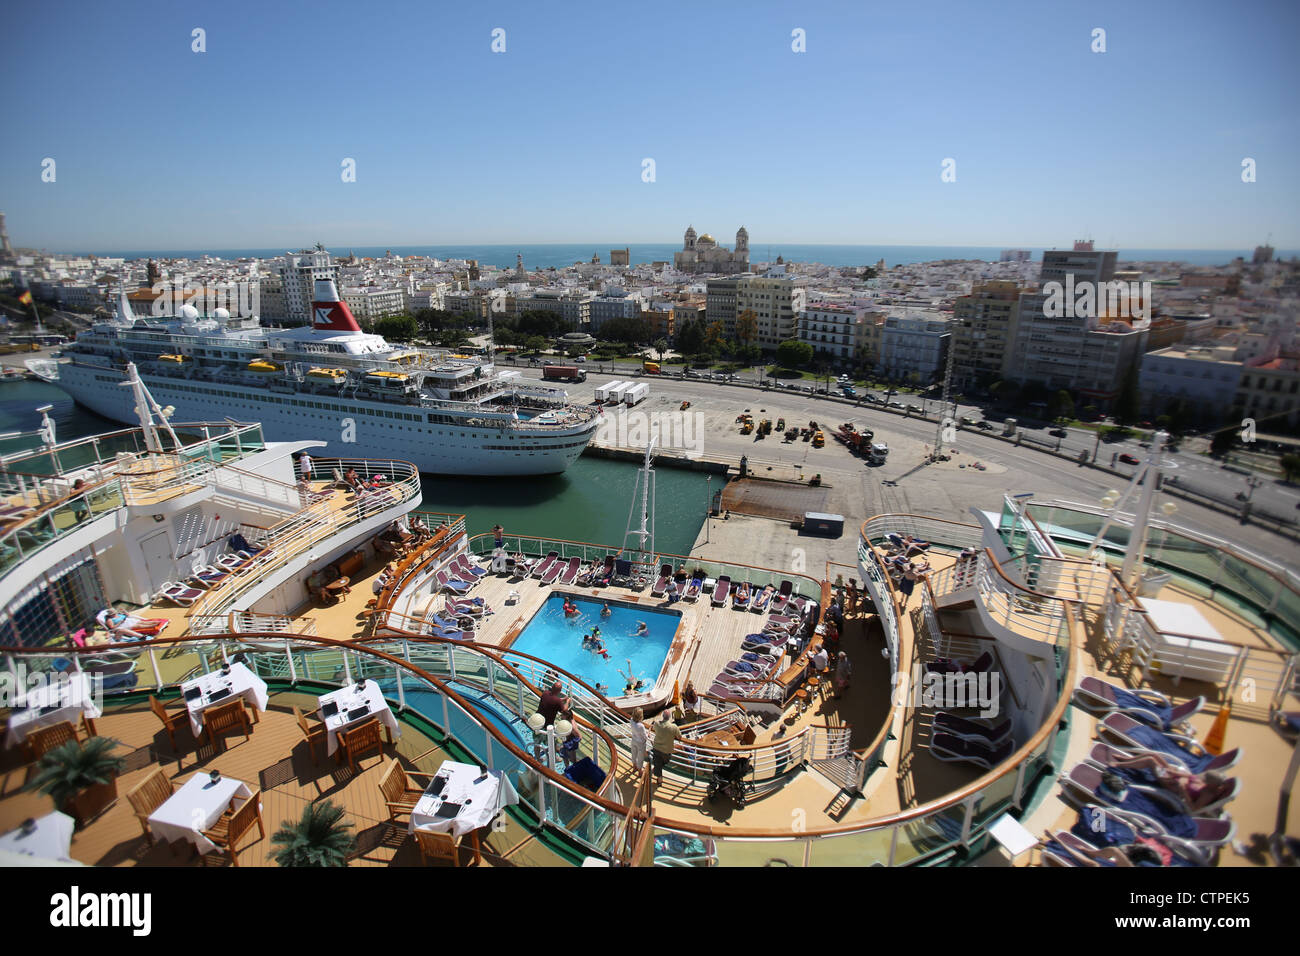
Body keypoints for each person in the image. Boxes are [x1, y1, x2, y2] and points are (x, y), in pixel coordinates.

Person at [651, 713, 682, 785]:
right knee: (661, 763)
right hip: (667, 751)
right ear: (670, 717)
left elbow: (653, 728)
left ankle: (658, 775)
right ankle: (659, 780)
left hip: (657, 748)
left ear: (663, 716)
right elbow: (679, 737)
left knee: (658, 763)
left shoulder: (657, 724)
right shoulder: (674, 727)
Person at [629, 708, 648, 775]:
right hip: (640, 743)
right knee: (640, 757)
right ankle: (640, 771)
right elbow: (645, 736)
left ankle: (634, 767)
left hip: (634, 739)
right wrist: (648, 734)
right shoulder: (641, 726)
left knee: (634, 754)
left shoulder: (631, 721)